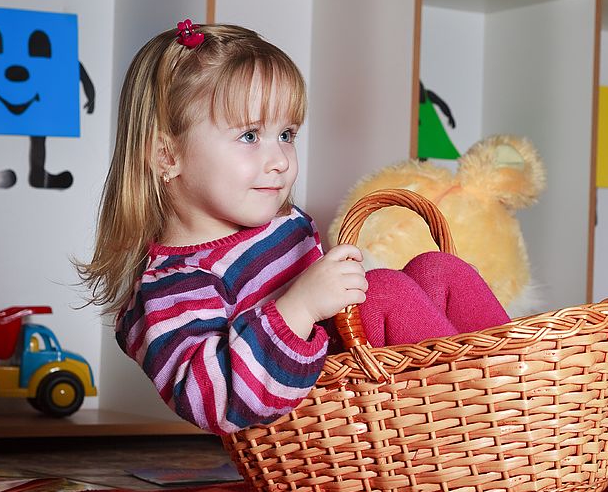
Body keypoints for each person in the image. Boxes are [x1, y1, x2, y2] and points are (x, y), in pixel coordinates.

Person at [77, 21, 509, 436]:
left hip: (375, 385)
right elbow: (215, 401)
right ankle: (480, 419)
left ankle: (525, 390)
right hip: (327, 422)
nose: (280, 159)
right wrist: (298, 309)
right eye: (249, 136)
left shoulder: (280, 226)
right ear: (167, 156)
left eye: (286, 134)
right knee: (383, 293)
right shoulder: (173, 287)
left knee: (438, 269)